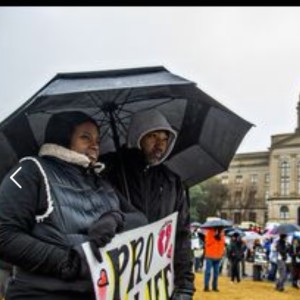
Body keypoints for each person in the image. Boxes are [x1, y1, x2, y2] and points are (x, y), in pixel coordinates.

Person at [0, 111, 148, 300]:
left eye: (97, 139)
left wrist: (115, 218)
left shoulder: (102, 182)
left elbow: (142, 220)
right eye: (86, 137)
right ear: (62, 138)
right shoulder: (29, 170)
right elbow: (4, 234)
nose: (95, 145)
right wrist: (67, 261)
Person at [101, 109, 195, 299]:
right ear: (138, 136)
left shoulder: (172, 182)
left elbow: (181, 236)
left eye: (165, 138)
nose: (160, 144)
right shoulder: (107, 170)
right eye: (153, 136)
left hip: (158, 285)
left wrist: (184, 285)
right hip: (117, 281)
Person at [203, 227, 225, 292]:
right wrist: (214, 238)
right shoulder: (209, 232)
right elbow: (207, 242)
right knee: (208, 272)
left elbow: (222, 244)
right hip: (210, 255)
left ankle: (214, 287)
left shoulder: (222, 233)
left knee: (216, 273)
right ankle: (206, 287)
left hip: (218, 256)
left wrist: (219, 238)